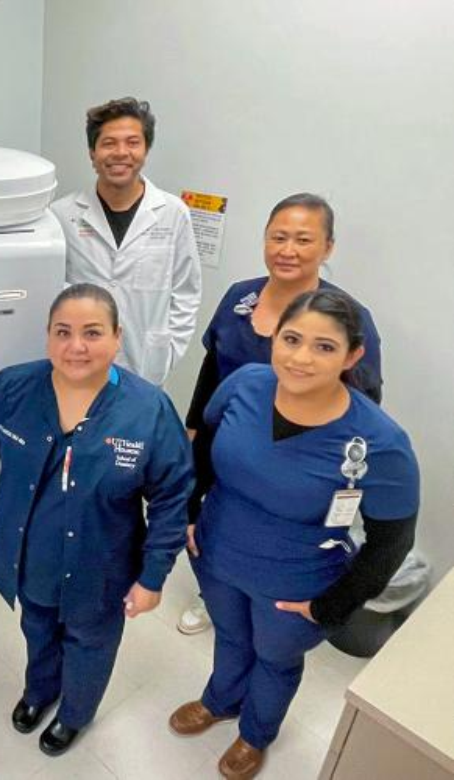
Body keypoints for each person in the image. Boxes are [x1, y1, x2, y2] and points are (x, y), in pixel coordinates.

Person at [168, 290, 418, 780]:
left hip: (297, 582)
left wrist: (331, 606)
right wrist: (190, 513)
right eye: (292, 339)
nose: (301, 358)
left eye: (324, 347)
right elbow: (205, 449)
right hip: (217, 551)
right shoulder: (245, 384)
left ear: (353, 356)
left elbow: (391, 541)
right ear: (275, 338)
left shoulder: (379, 443)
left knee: (275, 657)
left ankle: (256, 733)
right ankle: (219, 701)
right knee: (232, 638)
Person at [0, 283, 193, 757]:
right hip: (30, 556)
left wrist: (152, 577)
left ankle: (74, 713)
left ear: (117, 337)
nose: (76, 346)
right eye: (63, 332)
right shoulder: (11, 389)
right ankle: (40, 692)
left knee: (90, 643)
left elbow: (171, 498)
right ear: (47, 336)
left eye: (92, 332)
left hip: (100, 565)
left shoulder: (147, 411)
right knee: (37, 628)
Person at [177, 193, 383, 636]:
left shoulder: (348, 317)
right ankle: (214, 594)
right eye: (278, 237)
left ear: (327, 247)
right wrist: (195, 426)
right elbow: (211, 368)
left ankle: (278, 607)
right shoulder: (239, 299)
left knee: (278, 537)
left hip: (301, 458)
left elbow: (367, 404)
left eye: (303, 240)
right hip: (229, 441)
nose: (288, 250)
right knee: (217, 521)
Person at [50, 97, 202, 386]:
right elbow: (51, 291)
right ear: (92, 153)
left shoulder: (172, 213)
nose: (121, 153)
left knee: (138, 428)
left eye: (133, 142)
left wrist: (167, 352)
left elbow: (186, 292)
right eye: (108, 143)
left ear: (145, 150)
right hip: (79, 362)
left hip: (146, 364)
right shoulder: (62, 215)